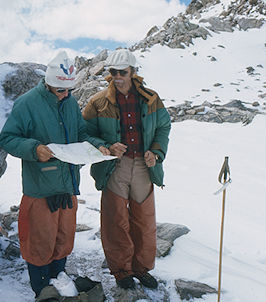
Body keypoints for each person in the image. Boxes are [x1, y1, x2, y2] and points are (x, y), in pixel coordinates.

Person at [0, 51, 102, 300]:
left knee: (63, 239)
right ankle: (41, 290)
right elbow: (7, 138)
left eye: (69, 90)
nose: (66, 95)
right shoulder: (27, 103)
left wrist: (98, 146)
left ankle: (59, 281)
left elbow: (81, 134)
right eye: (60, 90)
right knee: (39, 242)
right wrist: (35, 149)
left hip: (67, 186)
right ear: (48, 83)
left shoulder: (69, 104)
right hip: (40, 188)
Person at [82, 49, 171, 290]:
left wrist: (157, 152)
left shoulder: (151, 99)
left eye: (122, 72)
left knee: (144, 219)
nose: (117, 76)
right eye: (113, 72)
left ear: (133, 72)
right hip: (114, 167)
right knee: (115, 220)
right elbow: (84, 132)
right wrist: (105, 146)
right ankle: (121, 271)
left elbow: (164, 126)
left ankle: (141, 268)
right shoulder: (98, 101)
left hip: (144, 166)